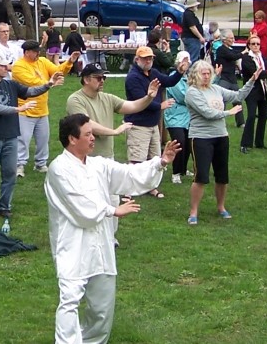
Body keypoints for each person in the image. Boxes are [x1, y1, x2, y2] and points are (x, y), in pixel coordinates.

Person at [45, 113, 176, 344]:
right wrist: (113, 210)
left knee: (102, 307)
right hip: (72, 247)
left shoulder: (98, 165)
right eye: (88, 134)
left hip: (101, 247)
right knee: (69, 301)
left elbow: (129, 174)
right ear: (72, 139)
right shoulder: (59, 169)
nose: (93, 138)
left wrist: (160, 162)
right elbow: (79, 206)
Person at [0, 56, 61, 224]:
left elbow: (30, 91)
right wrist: (18, 108)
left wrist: (48, 84)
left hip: (11, 136)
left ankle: (4, 206)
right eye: (2, 65)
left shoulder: (11, 84)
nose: (7, 67)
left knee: (10, 174)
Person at [184, 60, 257, 225]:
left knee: (222, 176)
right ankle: (193, 211)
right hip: (201, 137)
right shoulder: (192, 93)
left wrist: (251, 81)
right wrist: (228, 112)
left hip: (221, 136)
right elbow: (207, 113)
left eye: (209, 73)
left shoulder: (215, 89)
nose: (206, 76)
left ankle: (221, 207)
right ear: (195, 75)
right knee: (201, 176)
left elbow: (237, 96)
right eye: (203, 73)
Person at [12, 40, 79, 177]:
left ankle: (41, 164)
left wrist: (69, 62)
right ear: (27, 52)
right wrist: (51, 83)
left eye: (38, 51)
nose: (38, 53)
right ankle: (19, 165)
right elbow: (31, 82)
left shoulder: (42, 61)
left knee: (43, 139)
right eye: (35, 51)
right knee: (23, 139)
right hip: (25, 109)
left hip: (42, 109)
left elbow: (57, 71)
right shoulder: (18, 66)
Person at [125, 46, 184, 198]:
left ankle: (151, 187)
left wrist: (179, 72)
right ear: (137, 59)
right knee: (137, 160)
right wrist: (160, 106)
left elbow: (169, 81)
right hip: (138, 124)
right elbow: (141, 101)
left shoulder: (153, 73)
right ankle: (128, 190)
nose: (148, 61)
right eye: (145, 58)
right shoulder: (133, 78)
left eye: (150, 58)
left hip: (152, 125)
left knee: (155, 159)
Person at [66, 62, 157, 161]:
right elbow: (87, 125)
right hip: (86, 157)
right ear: (86, 79)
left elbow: (133, 106)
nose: (102, 81)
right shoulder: (75, 100)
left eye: (103, 78)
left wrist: (149, 97)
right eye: (98, 78)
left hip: (107, 156)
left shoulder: (107, 98)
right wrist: (114, 132)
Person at [239, 35, 267, 153]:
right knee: (251, 116)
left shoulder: (261, 57)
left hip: (263, 90)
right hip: (252, 91)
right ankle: (245, 144)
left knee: (263, 116)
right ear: (248, 45)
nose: (255, 46)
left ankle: (259, 142)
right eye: (253, 44)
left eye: (257, 44)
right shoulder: (246, 58)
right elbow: (255, 73)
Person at [163, 53, 193, 183]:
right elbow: (182, 97)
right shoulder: (173, 78)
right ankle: (175, 173)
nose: (186, 64)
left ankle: (183, 169)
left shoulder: (189, 78)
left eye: (188, 61)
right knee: (179, 142)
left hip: (187, 116)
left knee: (188, 143)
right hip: (174, 117)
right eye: (183, 61)